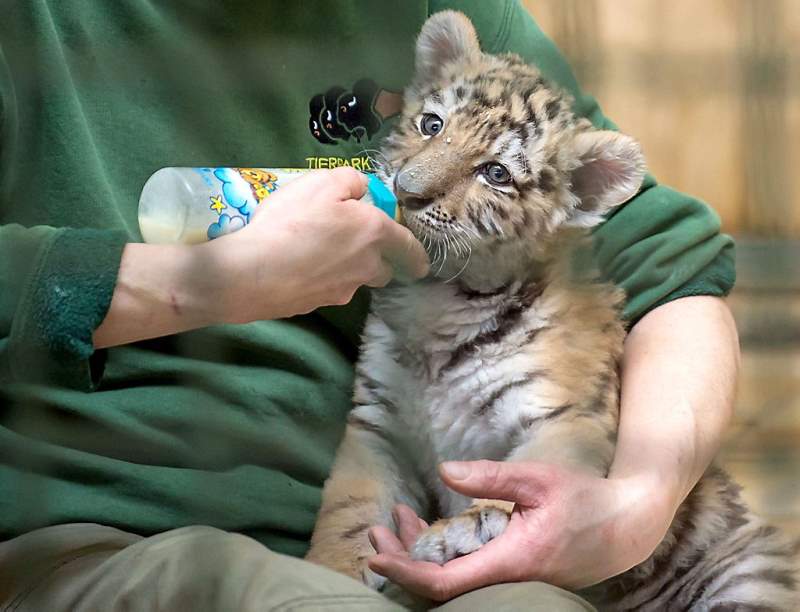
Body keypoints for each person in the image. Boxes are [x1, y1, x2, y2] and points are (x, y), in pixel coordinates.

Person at [0, 1, 738, 610]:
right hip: (107, 524)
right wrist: (202, 283)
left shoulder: (436, 15)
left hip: (410, 531)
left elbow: (670, 267)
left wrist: (636, 504)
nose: (417, 180)